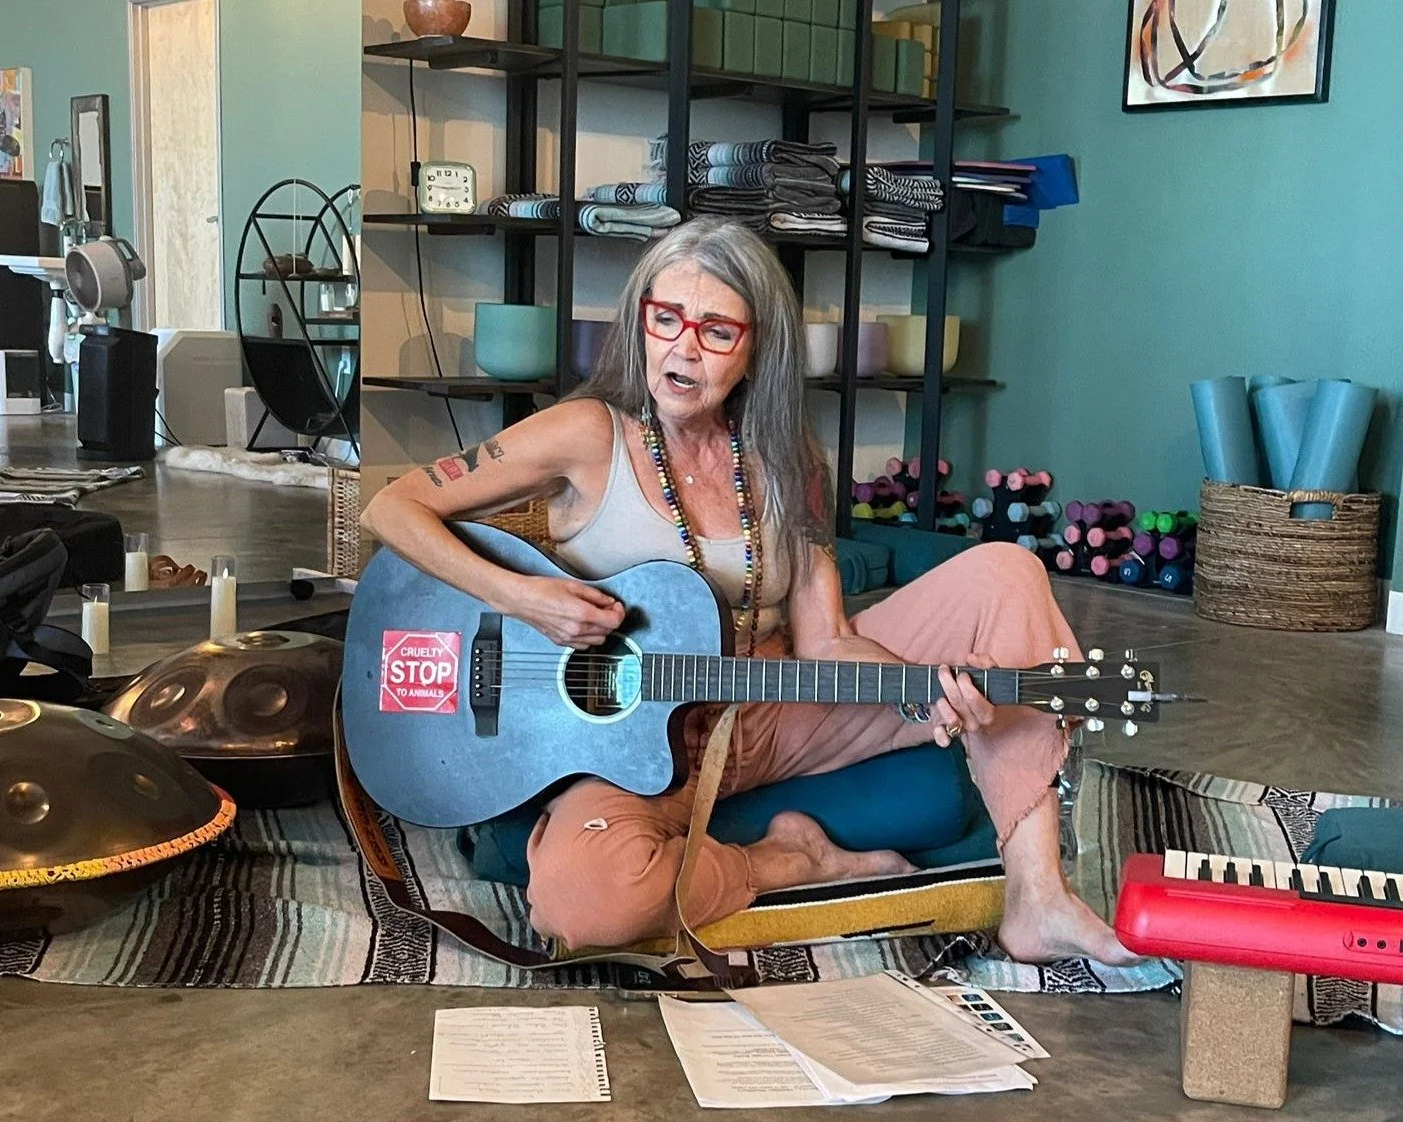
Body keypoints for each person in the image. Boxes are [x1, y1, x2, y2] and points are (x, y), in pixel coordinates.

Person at [362, 218, 1136, 965]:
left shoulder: (786, 457)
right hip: (626, 741)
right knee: (585, 902)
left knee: (1007, 571)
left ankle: (1038, 897)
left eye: (716, 331)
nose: (683, 348)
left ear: (757, 347)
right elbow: (392, 507)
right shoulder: (588, 432)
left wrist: (917, 689)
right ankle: (790, 860)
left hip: (770, 707)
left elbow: (827, 639)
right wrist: (520, 597)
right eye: (666, 318)